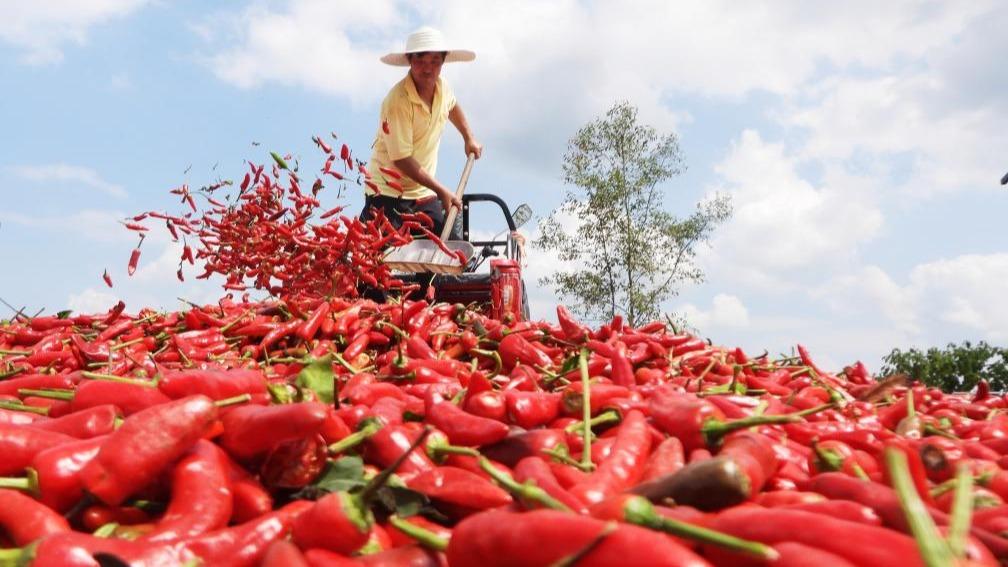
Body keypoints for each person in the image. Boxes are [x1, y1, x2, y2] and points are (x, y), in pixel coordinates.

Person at [360, 26, 483, 238]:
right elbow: (402, 159)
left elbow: (452, 106)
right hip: (386, 194)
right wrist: (441, 190)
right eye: (421, 61)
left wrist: (468, 138)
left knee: (449, 253)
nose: (428, 69)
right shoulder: (398, 101)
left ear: (443, 62)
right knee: (384, 262)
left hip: (421, 194)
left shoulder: (442, 88)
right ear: (409, 61)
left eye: (435, 61)